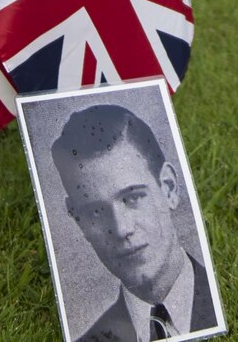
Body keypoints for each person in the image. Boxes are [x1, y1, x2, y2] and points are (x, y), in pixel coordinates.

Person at [51, 103, 216, 341]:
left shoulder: (233, 299)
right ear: (77, 219)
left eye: (133, 198)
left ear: (168, 188)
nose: (121, 229)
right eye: (96, 212)